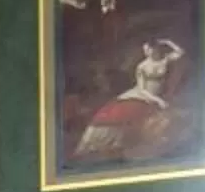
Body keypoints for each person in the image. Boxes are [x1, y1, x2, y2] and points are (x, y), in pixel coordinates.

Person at [72, 34, 184, 167]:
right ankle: (97, 142)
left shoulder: (165, 60)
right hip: (144, 95)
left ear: (155, 49)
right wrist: (157, 100)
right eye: (145, 50)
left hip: (158, 95)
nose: (146, 52)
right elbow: (142, 90)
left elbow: (180, 52)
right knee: (119, 110)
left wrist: (167, 41)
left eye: (148, 49)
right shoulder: (142, 66)